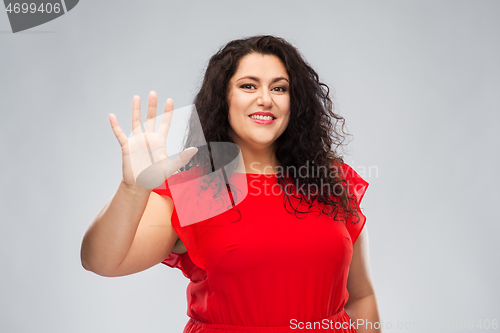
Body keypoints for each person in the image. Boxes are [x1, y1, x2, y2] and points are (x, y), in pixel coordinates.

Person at [81, 35, 382, 333]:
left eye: (279, 88)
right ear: (223, 98)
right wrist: (132, 188)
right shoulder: (200, 190)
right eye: (248, 85)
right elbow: (102, 262)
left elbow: (362, 297)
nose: (265, 98)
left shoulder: (329, 181)